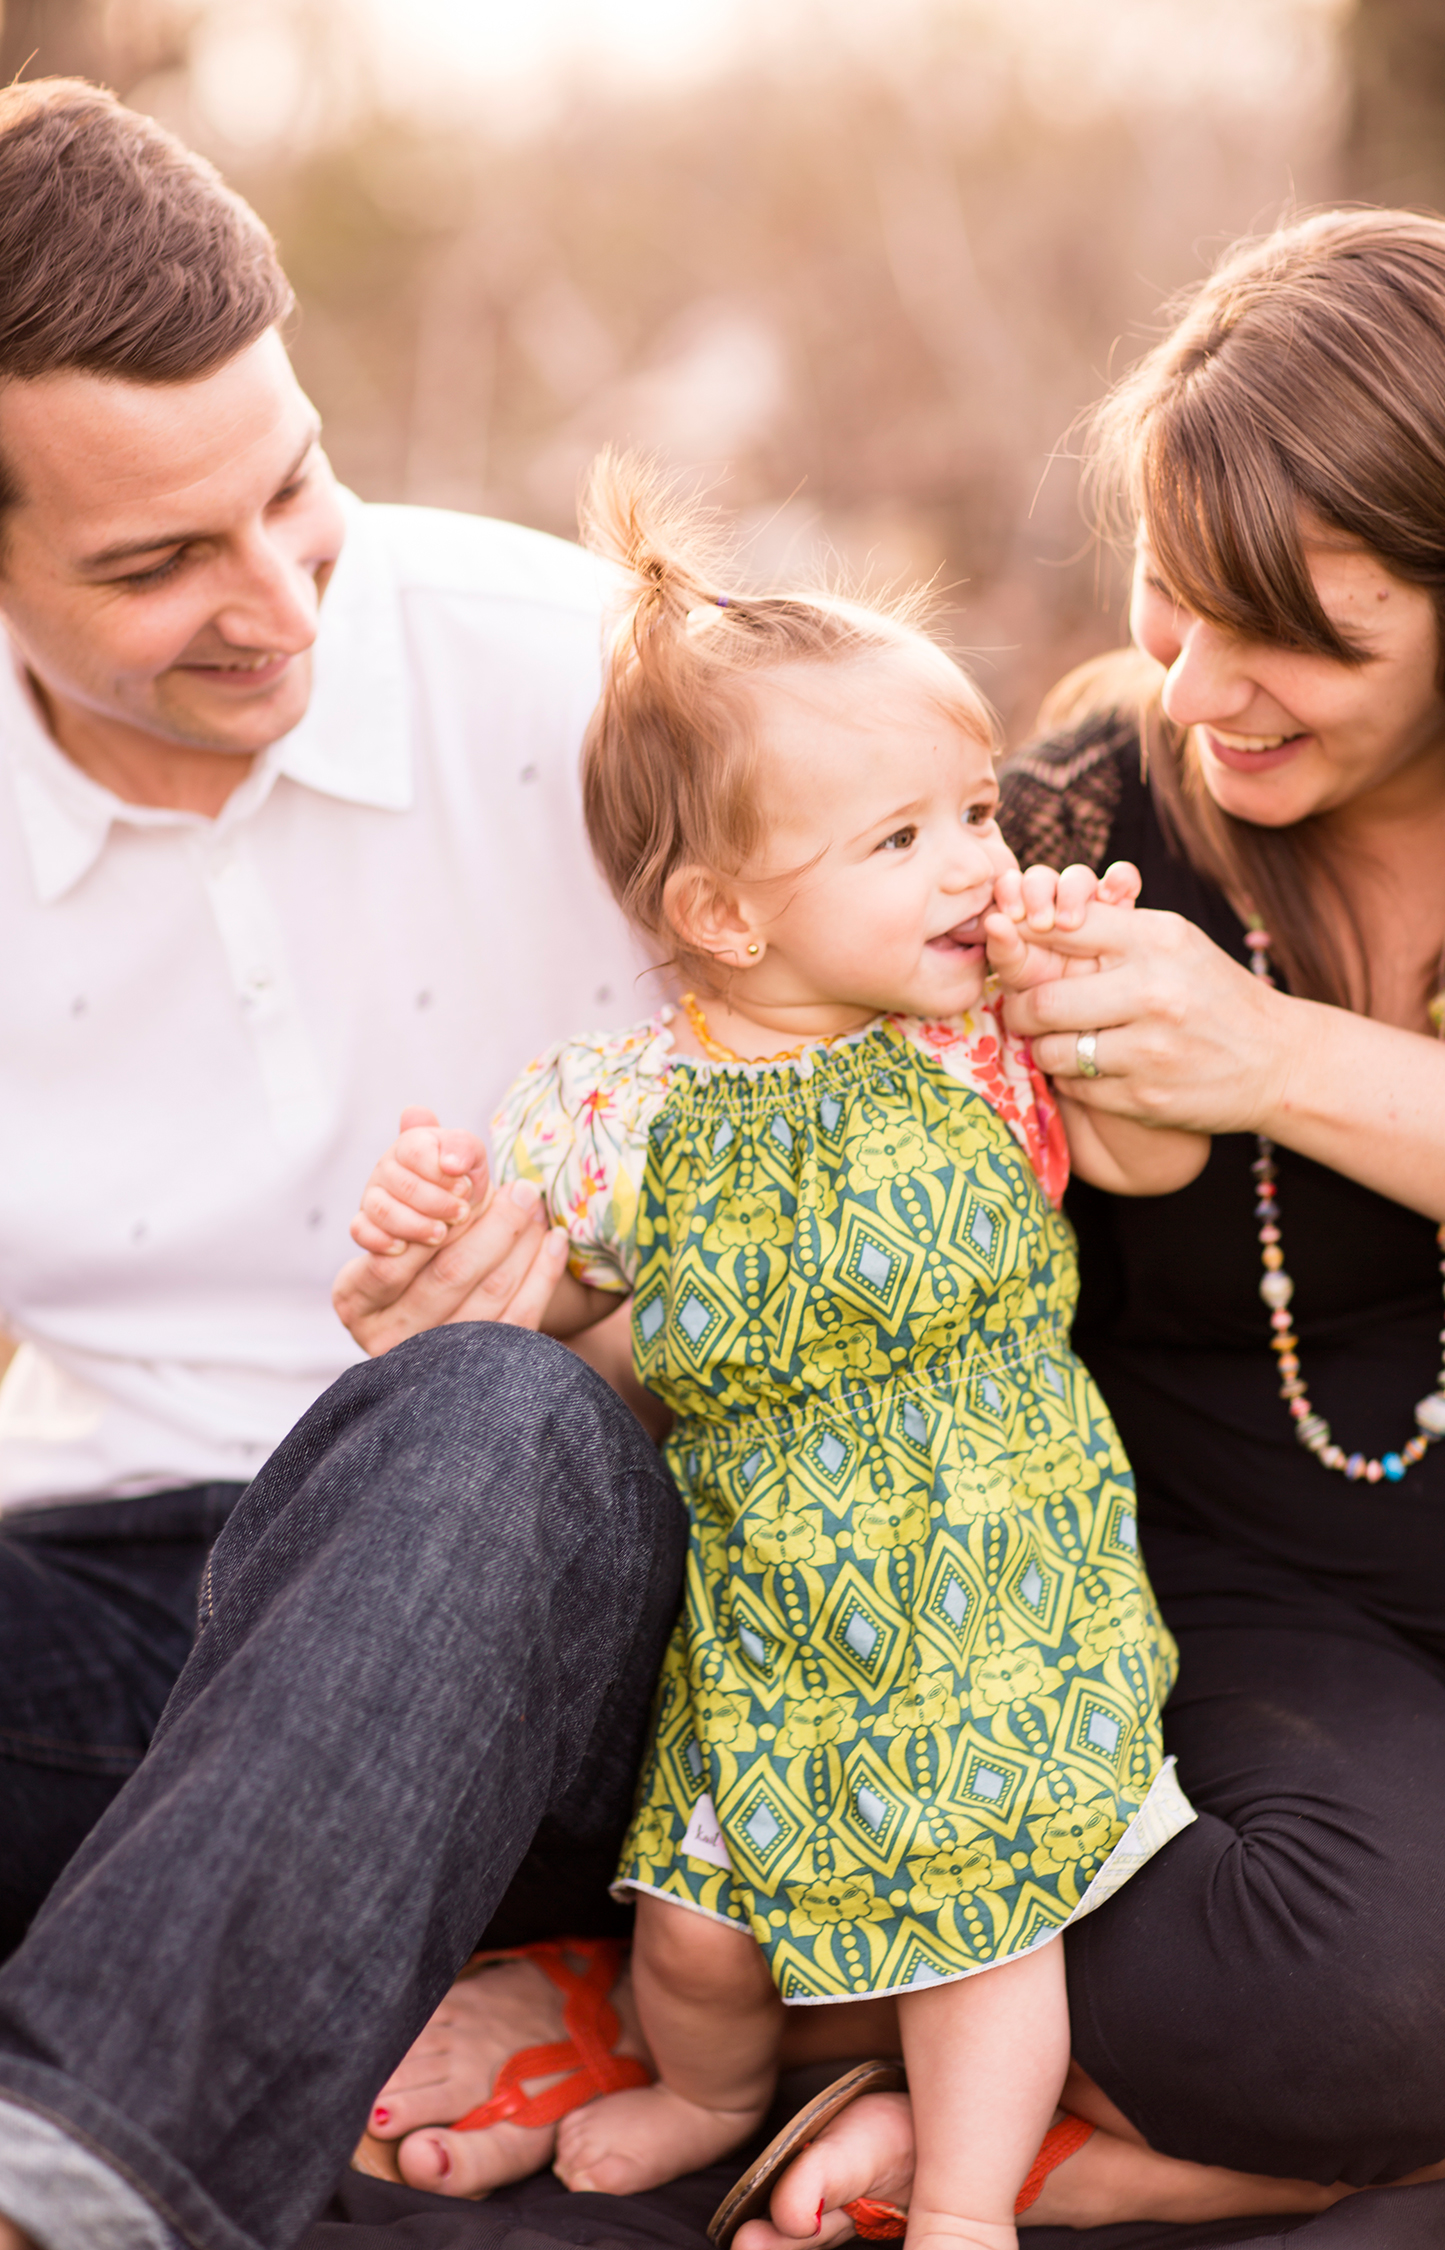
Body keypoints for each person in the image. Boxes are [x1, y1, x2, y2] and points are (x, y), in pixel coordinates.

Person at [353, 451, 1318, 2250]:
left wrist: (1087, 995)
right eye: (905, 840)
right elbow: (559, 1301)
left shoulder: (983, 1045)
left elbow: (1149, 1162)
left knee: (978, 1934)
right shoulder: (620, 1105)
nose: (978, 859)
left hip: (987, 1595)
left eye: (977, 811)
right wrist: (447, 1238)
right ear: (725, 915)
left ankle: (966, 2198)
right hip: (771, 1618)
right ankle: (709, 2089)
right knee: (701, 1934)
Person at [667, 205, 1445, 2246]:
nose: (1202, 679)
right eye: (1168, 592)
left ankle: (1064, 2152)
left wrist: (1272, 1063)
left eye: (1296, 627)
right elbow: (777, 1078)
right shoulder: (1064, 835)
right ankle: (989, 2058)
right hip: (1241, 1624)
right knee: (1379, 1996)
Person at [0, 74, 649, 1960]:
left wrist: (603, 1334)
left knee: (484, 1406)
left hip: (592, 1622)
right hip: (129, 1605)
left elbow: (926, 1170)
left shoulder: (597, 678)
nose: (279, 601)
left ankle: (74, 2175)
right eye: (154, 564)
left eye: (292, 485)